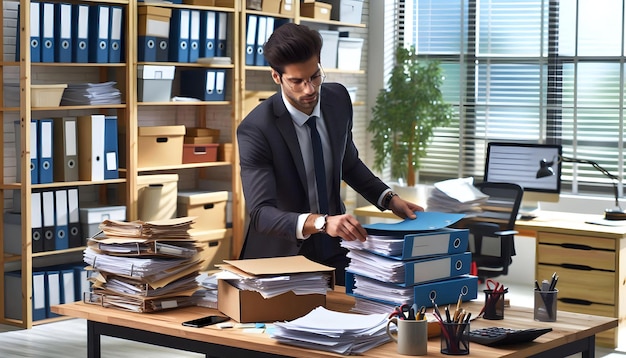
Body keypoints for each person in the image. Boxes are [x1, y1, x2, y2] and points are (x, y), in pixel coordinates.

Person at [237, 23, 423, 286]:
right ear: (277, 77)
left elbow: (348, 163)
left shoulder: (338, 100)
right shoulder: (256, 129)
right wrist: (322, 223)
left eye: (314, 76)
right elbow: (261, 214)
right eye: (297, 81)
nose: (309, 89)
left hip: (336, 250)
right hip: (282, 259)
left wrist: (389, 199)